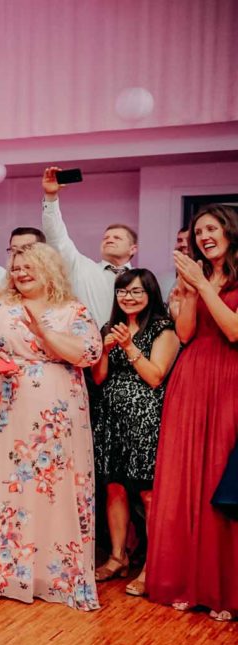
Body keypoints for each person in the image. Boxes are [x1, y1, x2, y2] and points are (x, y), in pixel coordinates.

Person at [0, 243, 103, 610]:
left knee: (50, 485)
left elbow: (88, 354)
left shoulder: (72, 310)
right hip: (3, 410)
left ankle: (50, 573)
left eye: (29, 266)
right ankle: (0, 571)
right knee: (4, 480)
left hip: (54, 414)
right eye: (17, 267)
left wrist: (44, 332)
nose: (20, 273)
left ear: (49, 269)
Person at [145, 205, 238, 620]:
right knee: (188, 479)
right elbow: (184, 334)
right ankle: (188, 580)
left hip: (229, 377)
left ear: (230, 232)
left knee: (221, 475)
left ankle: (224, 588)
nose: (204, 237)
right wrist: (187, 294)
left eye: (211, 228)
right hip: (192, 376)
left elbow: (233, 330)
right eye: (198, 231)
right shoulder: (197, 277)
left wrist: (202, 285)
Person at [89, 269, 178, 588]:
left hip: (145, 419)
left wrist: (128, 347)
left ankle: (153, 566)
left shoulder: (163, 328)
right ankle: (118, 556)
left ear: (150, 294)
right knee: (114, 487)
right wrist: (105, 350)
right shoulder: (109, 327)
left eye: (136, 291)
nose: (128, 297)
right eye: (123, 291)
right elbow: (99, 378)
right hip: (110, 417)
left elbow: (155, 376)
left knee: (147, 493)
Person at [41, 166, 137, 326]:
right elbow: (57, 237)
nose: (109, 240)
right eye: (106, 237)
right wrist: (51, 197)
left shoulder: (142, 279)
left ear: (133, 249)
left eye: (117, 238)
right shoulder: (82, 268)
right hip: (89, 339)